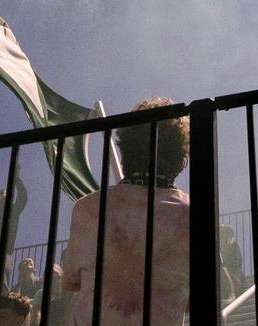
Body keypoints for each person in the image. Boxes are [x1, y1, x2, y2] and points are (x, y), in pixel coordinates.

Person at [61, 100, 192, 326]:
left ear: (126, 152)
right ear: (179, 160)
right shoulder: (192, 215)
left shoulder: (87, 209)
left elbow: (72, 283)